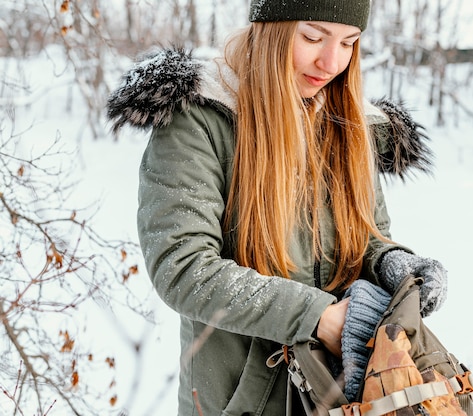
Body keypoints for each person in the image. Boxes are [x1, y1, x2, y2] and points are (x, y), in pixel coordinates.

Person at [107, 0, 448, 414]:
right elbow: (183, 268)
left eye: (349, 43)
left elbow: (367, 237)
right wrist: (317, 316)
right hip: (243, 402)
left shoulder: (353, 125)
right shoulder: (199, 119)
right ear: (271, 26)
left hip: (342, 398)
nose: (331, 61)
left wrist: (394, 264)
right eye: (312, 37)